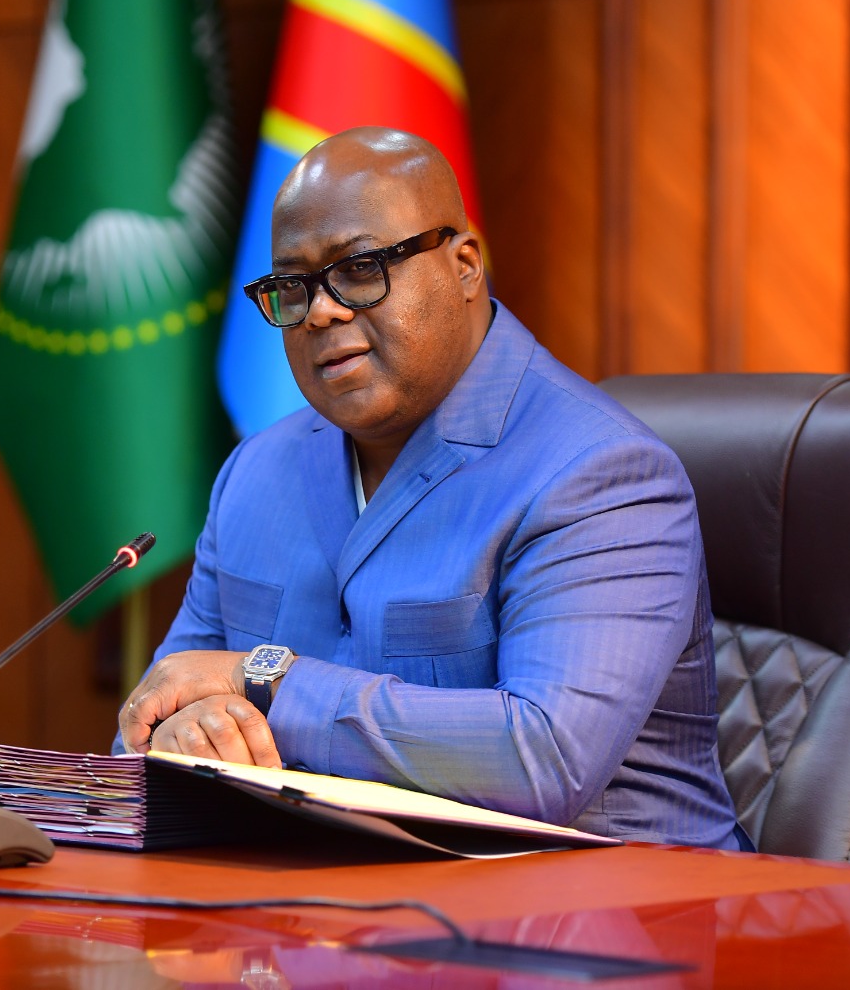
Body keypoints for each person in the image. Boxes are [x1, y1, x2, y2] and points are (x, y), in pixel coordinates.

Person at [116, 127, 741, 848]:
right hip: (327, 899)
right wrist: (187, 730)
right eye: (292, 286)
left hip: (609, 902)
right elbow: (152, 714)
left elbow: (542, 759)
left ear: (465, 266)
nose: (321, 311)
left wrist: (267, 682)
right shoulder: (254, 473)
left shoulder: (603, 474)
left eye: (360, 268)